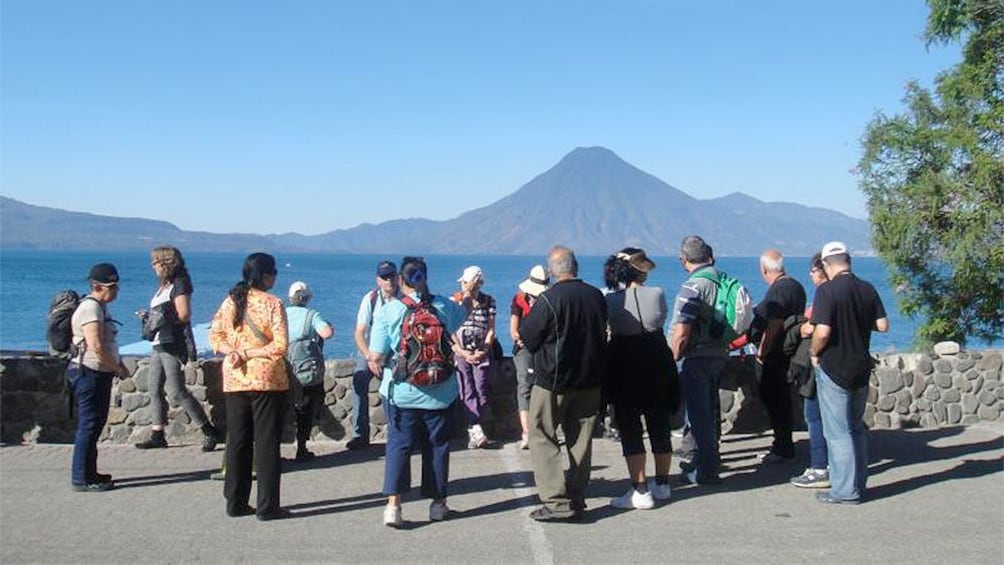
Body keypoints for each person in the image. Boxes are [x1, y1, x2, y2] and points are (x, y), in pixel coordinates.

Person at [367, 256, 467, 527]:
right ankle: (437, 504)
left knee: (399, 446)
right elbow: (463, 317)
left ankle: (394, 507)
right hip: (441, 391)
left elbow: (376, 354)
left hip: (402, 391)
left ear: (401, 279)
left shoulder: (391, 310)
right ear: (425, 277)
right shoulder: (443, 306)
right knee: (437, 447)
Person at [519, 246, 608, 522]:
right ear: (576, 266)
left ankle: (556, 501)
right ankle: (577, 496)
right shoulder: (596, 297)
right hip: (590, 380)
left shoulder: (548, 300)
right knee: (581, 440)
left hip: (553, 380)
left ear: (551, 271)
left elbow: (528, 337)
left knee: (542, 436)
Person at [208, 252, 290, 521]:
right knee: (266, 443)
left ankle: (235, 501)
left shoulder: (232, 301)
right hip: (267, 380)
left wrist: (232, 351)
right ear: (266, 276)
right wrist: (250, 353)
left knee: (238, 440)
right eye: (274, 272)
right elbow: (280, 346)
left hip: (234, 379)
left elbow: (214, 335)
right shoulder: (273, 304)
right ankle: (267, 506)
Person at [810, 242, 888, 504]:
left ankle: (844, 491)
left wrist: (814, 353)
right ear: (848, 260)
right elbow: (883, 325)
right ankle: (859, 484)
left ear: (826, 264)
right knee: (856, 429)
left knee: (838, 432)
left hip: (834, 367)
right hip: (861, 366)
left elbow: (822, 331)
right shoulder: (867, 288)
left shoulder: (827, 292)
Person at [603, 248, 679, 510]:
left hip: (624, 360)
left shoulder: (610, 300)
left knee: (629, 426)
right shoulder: (657, 293)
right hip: (657, 358)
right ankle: (663, 484)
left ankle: (640, 488)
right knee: (659, 422)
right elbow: (659, 319)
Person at [135, 246, 222, 452]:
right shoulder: (163, 286)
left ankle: (208, 430)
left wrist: (160, 319)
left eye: (155, 262)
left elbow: (183, 314)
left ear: (166, 263)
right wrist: (149, 317)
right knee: (154, 389)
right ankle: (158, 433)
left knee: (176, 390)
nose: (153, 266)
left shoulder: (180, 284)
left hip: (171, 343)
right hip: (158, 342)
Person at [669, 235, 727, 486]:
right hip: (720, 353)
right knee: (710, 412)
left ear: (684, 260)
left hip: (697, 356)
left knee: (699, 416)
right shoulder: (721, 279)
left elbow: (682, 330)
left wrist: (673, 356)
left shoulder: (693, 286)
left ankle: (707, 471)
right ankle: (708, 462)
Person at [69, 263, 129, 492]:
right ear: (96, 286)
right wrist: (117, 367)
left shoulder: (101, 308)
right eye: (110, 287)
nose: (115, 291)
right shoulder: (90, 309)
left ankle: (90, 472)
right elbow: (96, 345)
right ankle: (81, 478)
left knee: (94, 425)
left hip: (96, 373)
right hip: (89, 373)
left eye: (116, 286)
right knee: (89, 425)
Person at [750, 249, 806, 463]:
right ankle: (782, 443)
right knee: (782, 401)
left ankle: (782, 447)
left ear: (764, 269)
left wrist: (762, 353)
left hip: (776, 354)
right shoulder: (796, 287)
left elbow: (773, 325)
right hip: (790, 351)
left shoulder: (778, 291)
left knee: (775, 400)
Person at [349, 260, 401, 450]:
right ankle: (360, 434)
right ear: (378, 280)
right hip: (371, 351)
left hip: (396, 354)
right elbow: (360, 332)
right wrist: (370, 357)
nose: (389, 281)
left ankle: (399, 433)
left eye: (392, 276)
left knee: (398, 389)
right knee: (359, 381)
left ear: (398, 277)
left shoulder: (404, 299)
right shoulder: (370, 299)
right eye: (385, 277)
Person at [789, 253, 831, 488]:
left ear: (822, 271)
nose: (810, 275)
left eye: (813, 271)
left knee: (814, 417)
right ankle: (842, 465)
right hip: (847, 364)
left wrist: (812, 349)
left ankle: (819, 466)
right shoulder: (854, 291)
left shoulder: (825, 295)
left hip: (820, 364)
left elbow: (813, 329)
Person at [285, 281, 334, 461]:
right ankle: (301, 448)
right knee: (305, 409)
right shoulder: (312, 315)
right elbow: (326, 333)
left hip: (284, 369)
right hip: (305, 372)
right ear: (307, 298)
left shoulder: (282, 314)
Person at [451, 265, 497, 449]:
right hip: (461, 352)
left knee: (481, 389)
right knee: (466, 390)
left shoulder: (488, 301)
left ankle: (474, 428)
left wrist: (484, 349)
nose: (462, 285)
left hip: (481, 351)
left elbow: (491, 328)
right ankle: (476, 429)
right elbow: (451, 328)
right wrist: (461, 351)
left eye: (465, 282)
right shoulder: (455, 300)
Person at [510, 264, 548, 450]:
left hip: (542, 349)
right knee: (524, 385)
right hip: (524, 348)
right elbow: (513, 330)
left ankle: (541, 428)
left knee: (542, 386)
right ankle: (527, 432)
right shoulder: (519, 300)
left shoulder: (549, 301)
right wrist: (524, 339)